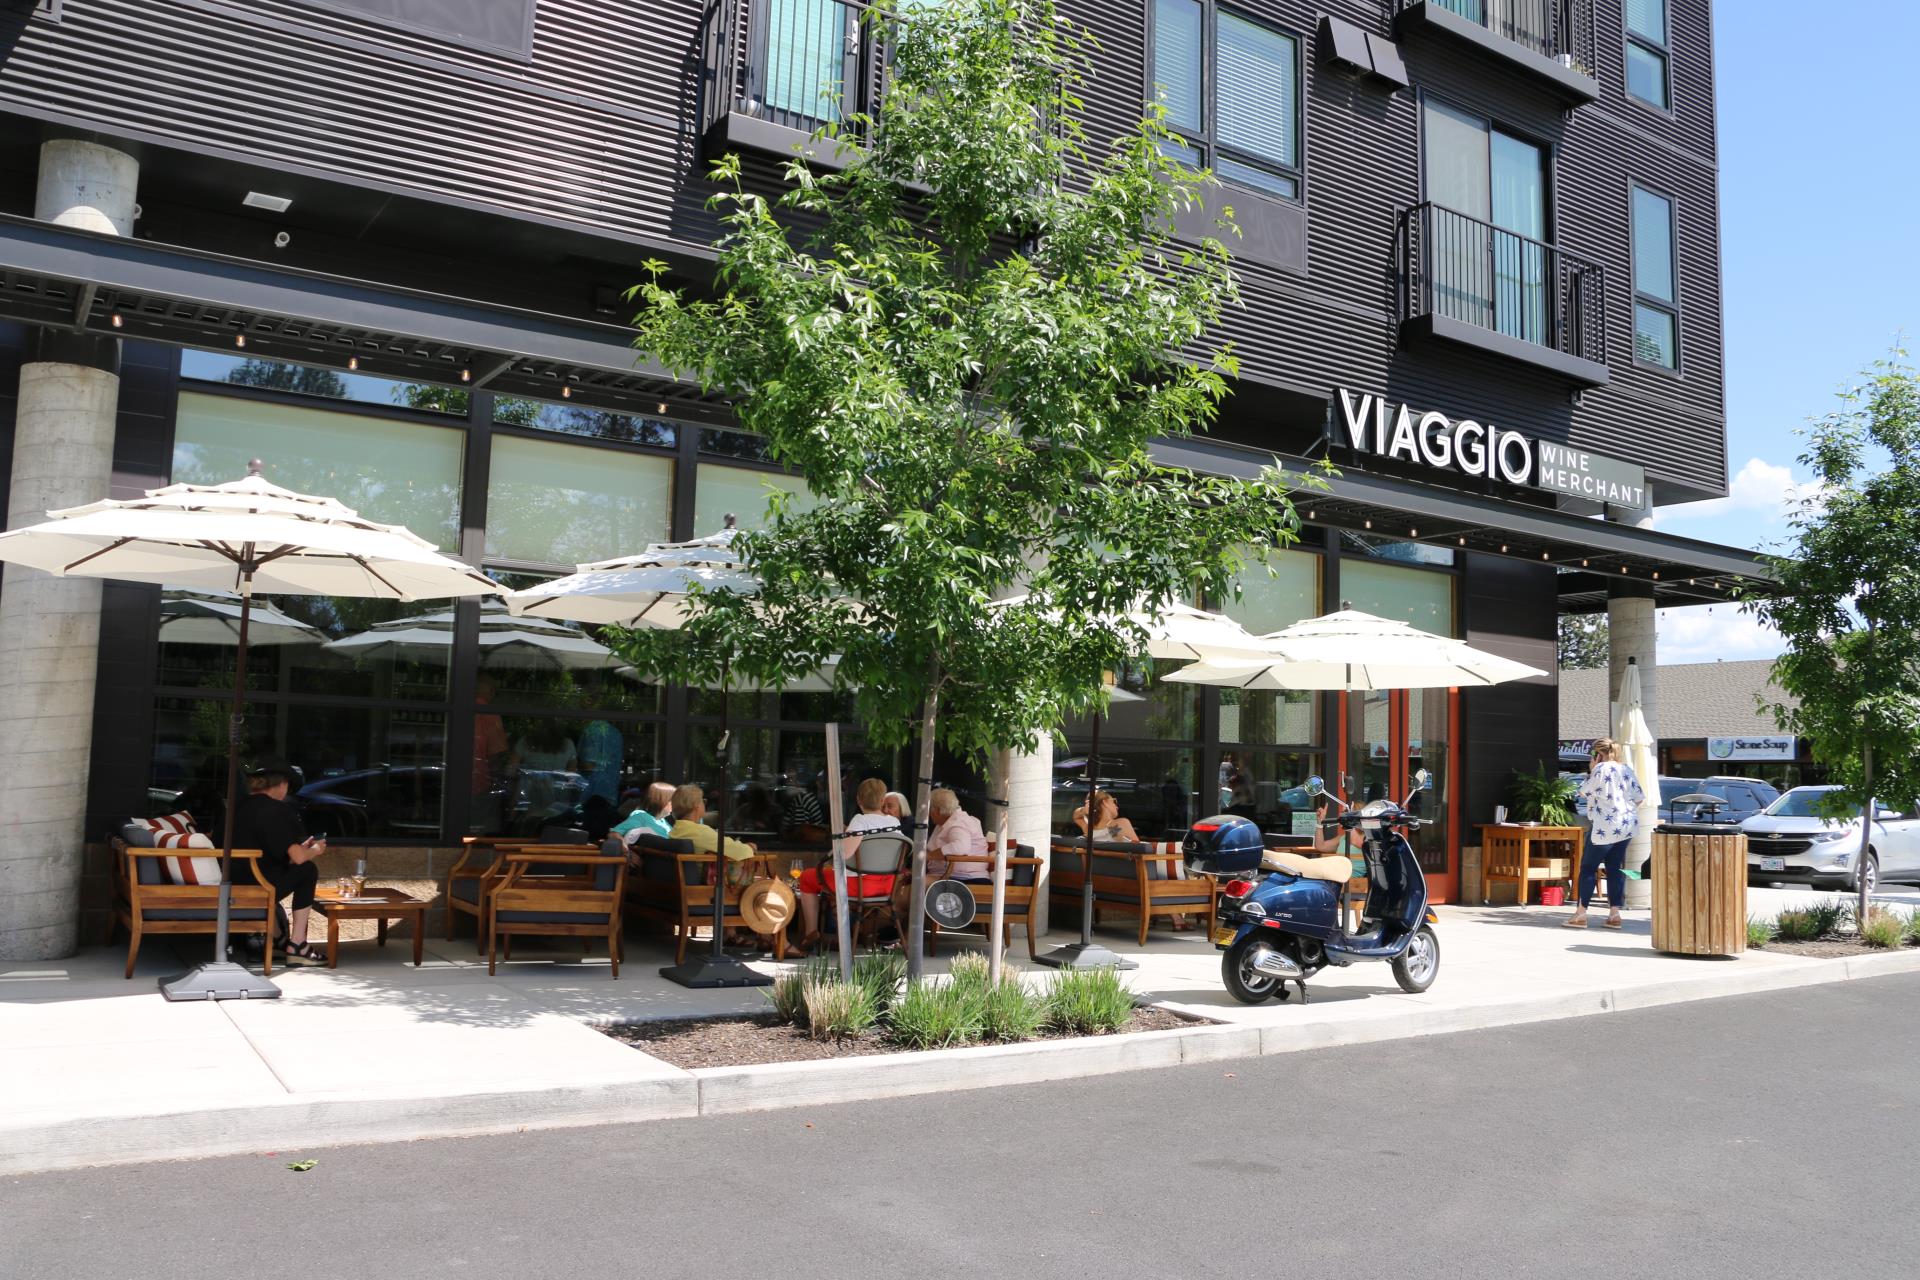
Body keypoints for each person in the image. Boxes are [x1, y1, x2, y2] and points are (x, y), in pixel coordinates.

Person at [232, 758, 327, 965]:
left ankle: (277, 939)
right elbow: (298, 857)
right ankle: (298, 944)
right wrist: (316, 849)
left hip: (230, 882)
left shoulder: (234, 808)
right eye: (288, 787)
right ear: (282, 784)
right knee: (307, 870)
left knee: (278, 871)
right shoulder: (278, 810)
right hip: (256, 888)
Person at [793, 777, 900, 955]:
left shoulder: (860, 821)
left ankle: (811, 931)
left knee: (807, 877)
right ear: (882, 801)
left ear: (858, 800)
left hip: (859, 886)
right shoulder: (894, 823)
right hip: (886, 885)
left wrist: (840, 839)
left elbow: (844, 855)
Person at [1570, 738, 1645, 930]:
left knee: (1588, 867)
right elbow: (1639, 798)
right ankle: (1614, 914)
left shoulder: (1599, 769)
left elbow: (1583, 792)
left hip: (1604, 826)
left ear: (1597, 754)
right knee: (1614, 868)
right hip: (1626, 826)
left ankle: (1581, 914)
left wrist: (1592, 768)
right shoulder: (1626, 769)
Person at [925, 788, 990, 880]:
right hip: (943, 875)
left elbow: (960, 847)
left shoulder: (959, 823)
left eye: (929, 809)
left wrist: (931, 856)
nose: (928, 814)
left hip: (964, 877)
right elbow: (929, 850)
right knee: (908, 883)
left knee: (914, 887)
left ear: (937, 810)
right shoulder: (943, 822)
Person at [576, 718, 624, 805]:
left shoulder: (591, 730)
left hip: (590, 794)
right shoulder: (616, 733)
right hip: (610, 793)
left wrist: (575, 766)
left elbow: (588, 765)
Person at [1072, 790, 1140, 844]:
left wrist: (1084, 810)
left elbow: (1076, 817)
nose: (1117, 806)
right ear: (1105, 802)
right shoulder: (1119, 824)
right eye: (1114, 801)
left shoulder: (1088, 829)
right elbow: (1138, 849)